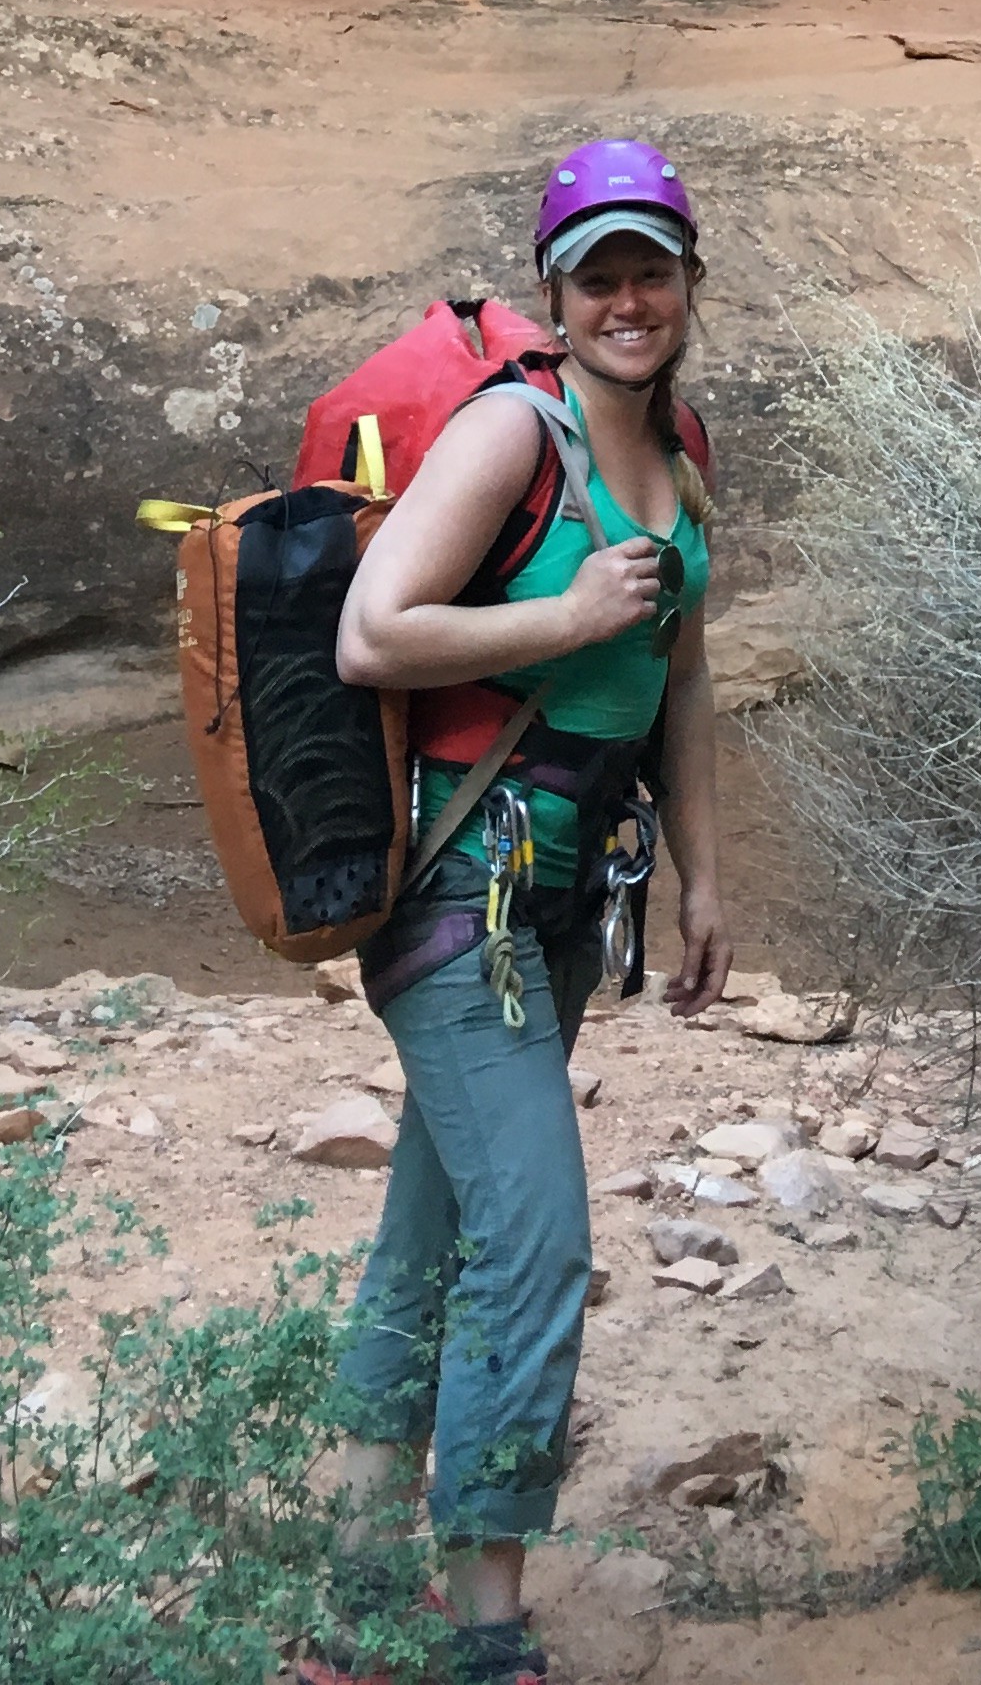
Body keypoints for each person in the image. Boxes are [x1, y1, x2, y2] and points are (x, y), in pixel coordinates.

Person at [315, 136, 730, 1685]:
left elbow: (683, 673)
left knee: (437, 1230)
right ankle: (485, 1628)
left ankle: (352, 1590)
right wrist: (563, 614)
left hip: (560, 905)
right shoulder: (513, 433)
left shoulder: (681, 449)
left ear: (689, 282)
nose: (628, 301)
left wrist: (704, 876)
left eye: (650, 273)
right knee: (539, 1247)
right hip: (458, 895)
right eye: (597, 277)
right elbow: (372, 634)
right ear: (556, 296)